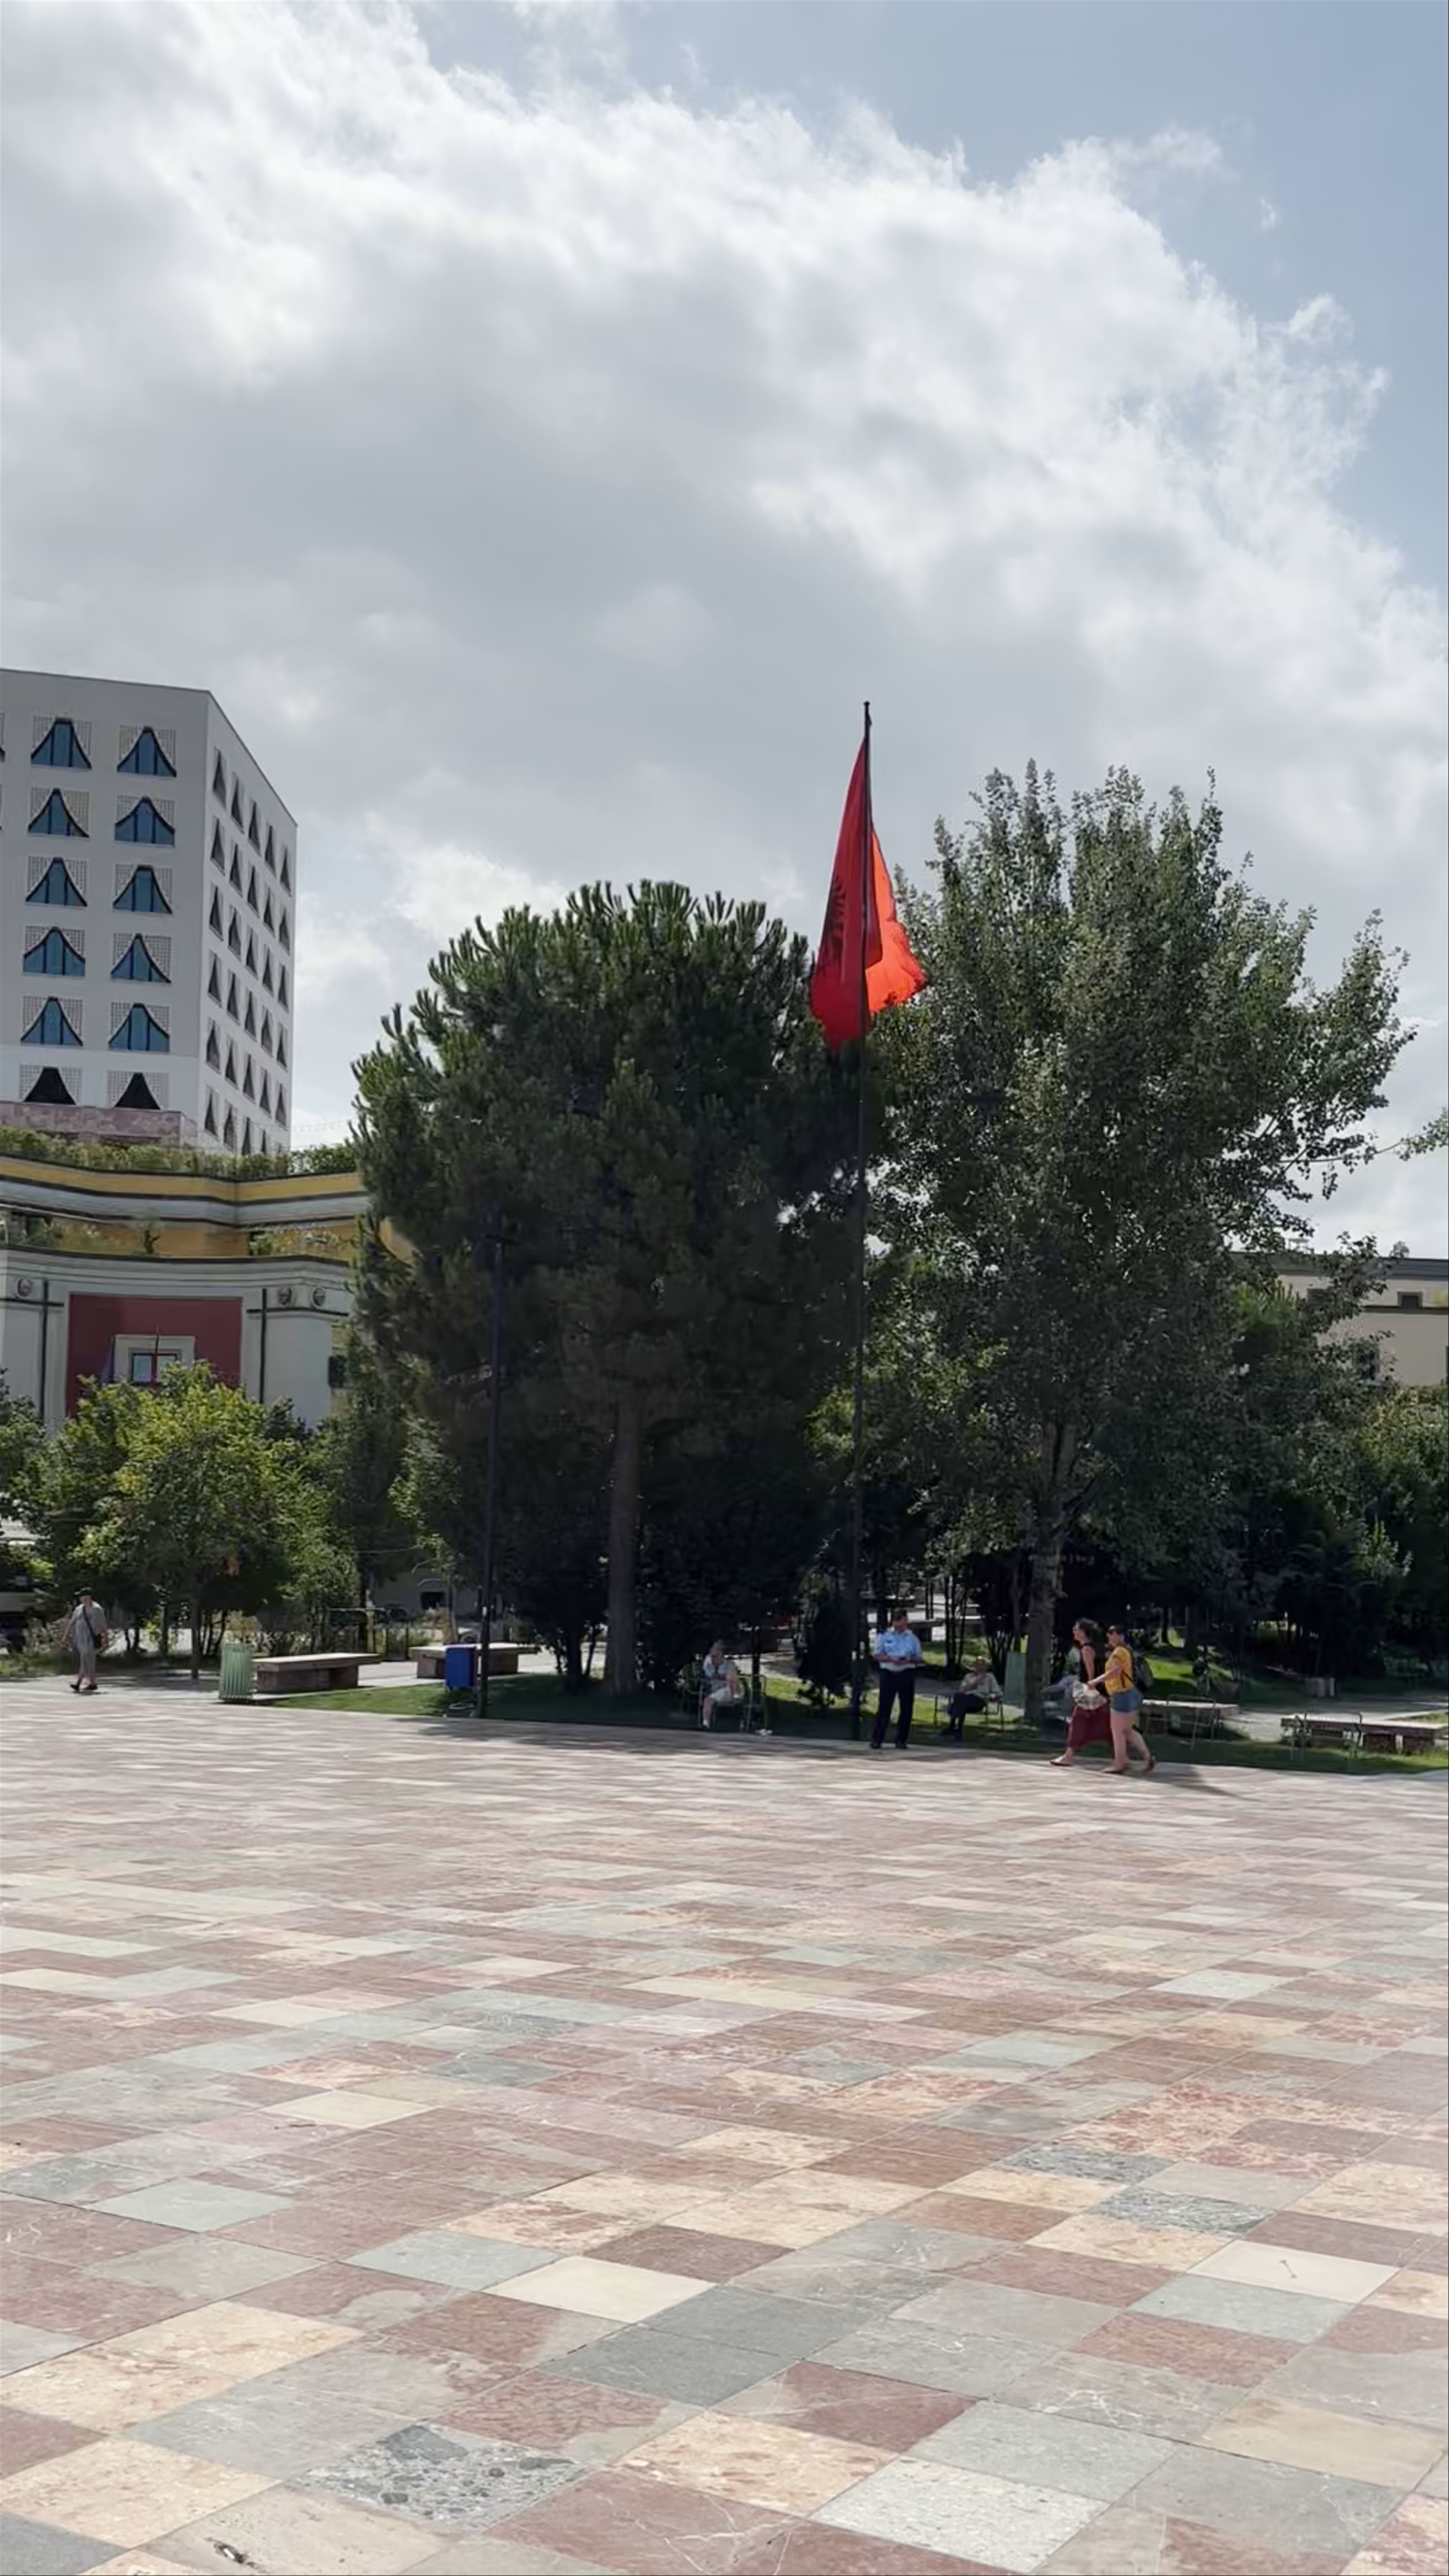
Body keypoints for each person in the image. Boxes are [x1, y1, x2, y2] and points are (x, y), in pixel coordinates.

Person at [1049, 1619, 1111, 1766]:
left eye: (1076, 1630)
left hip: (1091, 1691)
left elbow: (1091, 1673)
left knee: (1078, 1721)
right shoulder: (1092, 1648)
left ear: (1083, 1632)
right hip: (1098, 1691)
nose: (1074, 1632)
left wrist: (1090, 1689)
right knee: (1107, 1723)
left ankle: (1069, 1756)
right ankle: (1128, 1755)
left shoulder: (1087, 1650)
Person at [1102, 1622, 1155, 1775]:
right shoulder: (1128, 1651)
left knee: (1118, 1730)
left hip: (1122, 1695)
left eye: (1112, 1635)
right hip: (1132, 1694)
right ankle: (1148, 1757)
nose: (1109, 1638)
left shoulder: (1120, 1652)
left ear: (1120, 1636)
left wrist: (1095, 1682)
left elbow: (1115, 1672)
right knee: (1127, 1731)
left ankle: (1120, 1763)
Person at [871, 1608, 924, 1751]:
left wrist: (909, 1660)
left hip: (906, 1673)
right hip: (888, 1672)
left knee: (906, 1708)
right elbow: (877, 1655)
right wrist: (890, 1659)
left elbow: (920, 1658)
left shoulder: (913, 1638)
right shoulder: (885, 1636)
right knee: (884, 1707)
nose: (898, 1626)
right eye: (896, 1623)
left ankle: (902, 1740)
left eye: (901, 1623)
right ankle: (878, 1739)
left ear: (906, 1621)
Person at [64, 1591, 109, 1694]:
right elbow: (72, 1623)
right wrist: (66, 1637)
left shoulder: (97, 1609)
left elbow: (103, 1625)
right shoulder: (79, 1609)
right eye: (81, 1598)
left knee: (86, 1660)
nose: (82, 1599)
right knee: (88, 1661)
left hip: (91, 1639)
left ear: (89, 1597)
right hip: (81, 1640)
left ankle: (79, 1683)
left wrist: (106, 1639)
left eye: (83, 1597)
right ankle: (92, 1683)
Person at [945, 1655, 997, 1738]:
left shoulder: (990, 1678)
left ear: (986, 1667)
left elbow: (997, 1693)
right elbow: (962, 1690)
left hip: (980, 1700)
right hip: (966, 1700)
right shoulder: (968, 1677)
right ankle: (959, 1732)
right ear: (975, 1666)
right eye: (977, 1664)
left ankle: (952, 1727)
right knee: (960, 1699)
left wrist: (990, 1697)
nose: (979, 1667)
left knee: (958, 1702)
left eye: (982, 1665)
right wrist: (975, 1683)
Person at [700, 1640, 744, 1729]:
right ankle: (706, 1723)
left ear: (721, 1655)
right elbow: (709, 1676)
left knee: (730, 1677)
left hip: (729, 1689)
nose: (714, 1659)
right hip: (719, 1690)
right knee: (708, 1700)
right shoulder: (709, 1664)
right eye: (712, 1656)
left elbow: (732, 1677)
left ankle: (735, 1695)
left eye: (716, 1656)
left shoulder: (729, 1665)